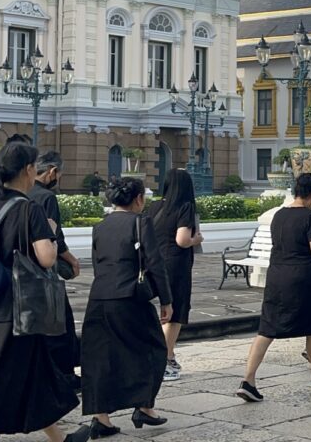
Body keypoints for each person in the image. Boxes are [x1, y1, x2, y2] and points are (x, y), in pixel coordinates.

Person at [0, 142, 89, 442]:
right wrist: (52, 236)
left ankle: (60, 438)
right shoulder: (28, 208)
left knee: (35, 372)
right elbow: (45, 258)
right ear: (29, 170)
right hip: (20, 308)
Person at [237, 174, 311, 402]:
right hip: (301, 277)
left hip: (276, 276)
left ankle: (249, 379)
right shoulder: (310, 217)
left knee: (266, 329)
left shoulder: (279, 215)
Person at [82, 177, 172, 437]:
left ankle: (101, 418)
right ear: (138, 199)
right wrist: (166, 300)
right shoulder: (140, 222)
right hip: (129, 297)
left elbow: (97, 263)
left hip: (99, 297)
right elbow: (154, 263)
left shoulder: (99, 226)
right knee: (154, 348)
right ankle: (143, 405)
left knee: (100, 357)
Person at [29, 151, 82, 391]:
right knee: (63, 324)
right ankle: (65, 375)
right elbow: (53, 235)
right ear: (51, 171)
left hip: (23, 267)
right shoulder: (47, 197)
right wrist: (71, 259)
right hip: (45, 266)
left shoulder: (22, 194)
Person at [146, 169, 203, 381]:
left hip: (155, 263)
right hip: (176, 264)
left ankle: (164, 356)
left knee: (163, 310)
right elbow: (182, 240)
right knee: (176, 312)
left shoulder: (155, 206)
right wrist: (197, 239)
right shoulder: (185, 207)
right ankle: (166, 358)